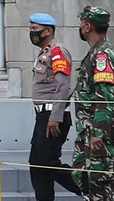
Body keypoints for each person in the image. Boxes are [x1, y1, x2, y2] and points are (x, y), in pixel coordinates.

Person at [28, 12, 82, 200]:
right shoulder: (45, 52)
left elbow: (63, 85)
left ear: (48, 30)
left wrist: (55, 118)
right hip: (43, 116)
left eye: (35, 29)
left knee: (46, 162)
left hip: (53, 116)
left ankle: (88, 186)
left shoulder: (57, 51)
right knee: (37, 164)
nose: (32, 32)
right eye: (31, 28)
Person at [72, 6, 114, 201]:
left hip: (97, 132)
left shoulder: (103, 55)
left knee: (101, 183)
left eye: (81, 22)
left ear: (87, 26)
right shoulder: (96, 52)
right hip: (88, 130)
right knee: (85, 178)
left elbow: (105, 97)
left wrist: (99, 134)